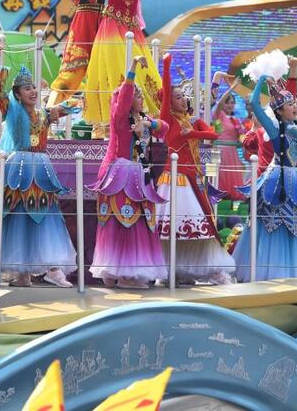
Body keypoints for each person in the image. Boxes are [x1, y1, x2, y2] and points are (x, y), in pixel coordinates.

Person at [0, 45, 77, 287]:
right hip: (18, 169)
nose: (33, 91)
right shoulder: (11, 111)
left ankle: (53, 269)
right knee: (17, 219)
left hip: (40, 171)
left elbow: (71, 105)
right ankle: (21, 274)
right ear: (18, 94)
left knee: (45, 217)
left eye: (34, 86)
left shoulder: (44, 114)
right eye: (27, 88)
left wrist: (74, 99)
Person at [154, 53, 236, 285]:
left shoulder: (193, 121)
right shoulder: (167, 120)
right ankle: (172, 271)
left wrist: (193, 134)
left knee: (201, 226)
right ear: (169, 102)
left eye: (183, 96)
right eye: (177, 97)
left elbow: (213, 134)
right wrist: (166, 64)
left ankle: (201, 270)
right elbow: (166, 90)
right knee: (173, 229)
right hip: (173, 180)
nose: (182, 100)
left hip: (194, 178)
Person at [88, 56, 168, 288]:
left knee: (139, 223)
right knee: (119, 221)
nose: (141, 98)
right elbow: (123, 98)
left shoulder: (143, 119)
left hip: (139, 175)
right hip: (119, 175)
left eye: (141, 95)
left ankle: (128, 272)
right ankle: (116, 272)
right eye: (137, 95)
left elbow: (165, 127)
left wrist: (149, 125)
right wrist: (132, 67)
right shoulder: (119, 120)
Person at [232, 75, 297, 280]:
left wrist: (296, 133)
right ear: (279, 111)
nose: (295, 107)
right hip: (276, 180)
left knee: (295, 225)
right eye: (290, 104)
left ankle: (294, 272)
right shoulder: (273, 128)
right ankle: (269, 271)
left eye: (294, 103)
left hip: (295, 180)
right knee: (272, 224)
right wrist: (261, 79)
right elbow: (254, 103)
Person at [212, 78, 248, 203]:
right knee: (219, 180)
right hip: (220, 152)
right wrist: (232, 87)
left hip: (232, 154)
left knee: (234, 185)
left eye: (232, 103)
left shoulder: (236, 120)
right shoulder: (218, 116)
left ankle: (234, 209)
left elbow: (242, 137)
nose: (230, 105)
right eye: (228, 102)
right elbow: (219, 104)